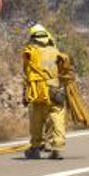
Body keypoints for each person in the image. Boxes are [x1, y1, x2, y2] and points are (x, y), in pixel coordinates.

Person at [21, 23, 71, 159]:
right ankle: (57, 148)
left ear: (33, 37)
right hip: (55, 91)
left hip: (38, 91)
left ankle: (35, 148)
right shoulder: (55, 51)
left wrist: (25, 93)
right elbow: (63, 71)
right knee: (57, 118)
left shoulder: (30, 52)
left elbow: (27, 74)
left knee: (37, 120)